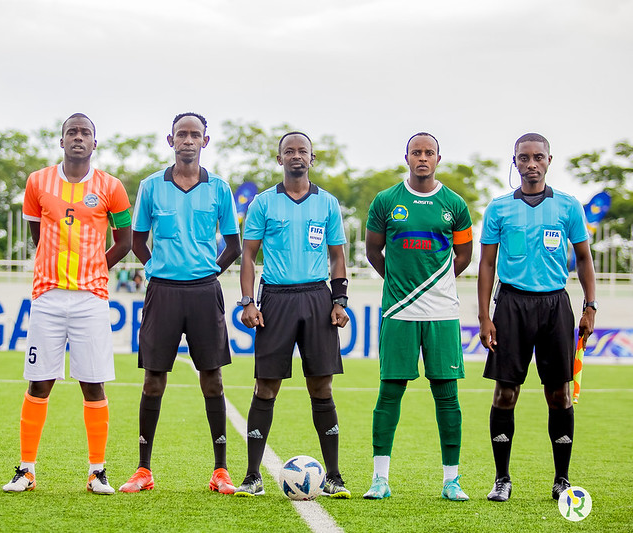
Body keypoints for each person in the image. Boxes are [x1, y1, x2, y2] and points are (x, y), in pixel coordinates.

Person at [2, 113, 132, 494]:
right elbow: (37, 234)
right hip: (48, 295)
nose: (78, 137)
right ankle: (26, 470)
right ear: (61, 141)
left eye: (85, 132)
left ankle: (97, 472)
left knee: (93, 383)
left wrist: (96, 267)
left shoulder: (112, 187)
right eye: (71, 132)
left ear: (95, 142)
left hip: (92, 298)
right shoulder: (37, 182)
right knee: (39, 381)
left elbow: (125, 241)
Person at [120, 112, 241, 494]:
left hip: (205, 292)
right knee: (153, 379)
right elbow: (137, 241)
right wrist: (158, 268)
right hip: (163, 292)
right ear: (170, 140)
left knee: (213, 379)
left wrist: (208, 272)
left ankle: (220, 471)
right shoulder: (151, 186)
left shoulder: (219, 188)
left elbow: (233, 246)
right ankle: (143, 470)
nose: (188, 140)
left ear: (205, 141)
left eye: (195, 134)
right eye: (181, 134)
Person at [478, 133, 596, 502]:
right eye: (524, 158)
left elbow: (584, 259)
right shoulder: (499, 208)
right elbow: (486, 264)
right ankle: (502, 479)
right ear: (514, 162)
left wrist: (590, 306)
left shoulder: (568, 206)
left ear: (549, 160)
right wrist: (484, 316)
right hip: (511, 305)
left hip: (555, 305)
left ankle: (562, 480)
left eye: (538, 157)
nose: (531, 164)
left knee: (559, 394)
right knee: (505, 393)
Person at [235, 131, 351, 498]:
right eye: (289, 151)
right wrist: (248, 302)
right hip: (276, 299)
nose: (296, 156)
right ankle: (252, 476)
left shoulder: (327, 203)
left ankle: (334, 476)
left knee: (321, 386)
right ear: (279, 158)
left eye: (302, 151)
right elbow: (248, 255)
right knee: (266, 385)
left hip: (317, 297)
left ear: (312, 159)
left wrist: (340, 300)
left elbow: (337, 255)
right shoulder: (263, 203)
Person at [364, 132, 473, 501]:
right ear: (406, 157)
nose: (422, 158)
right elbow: (373, 251)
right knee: (389, 392)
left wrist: (434, 286)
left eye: (429, 152)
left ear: (438, 158)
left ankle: (451, 481)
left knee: (447, 395)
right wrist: (399, 284)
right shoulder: (386, 201)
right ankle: (380, 479)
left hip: (442, 312)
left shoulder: (454, 204)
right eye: (416, 152)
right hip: (399, 310)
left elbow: (464, 255)